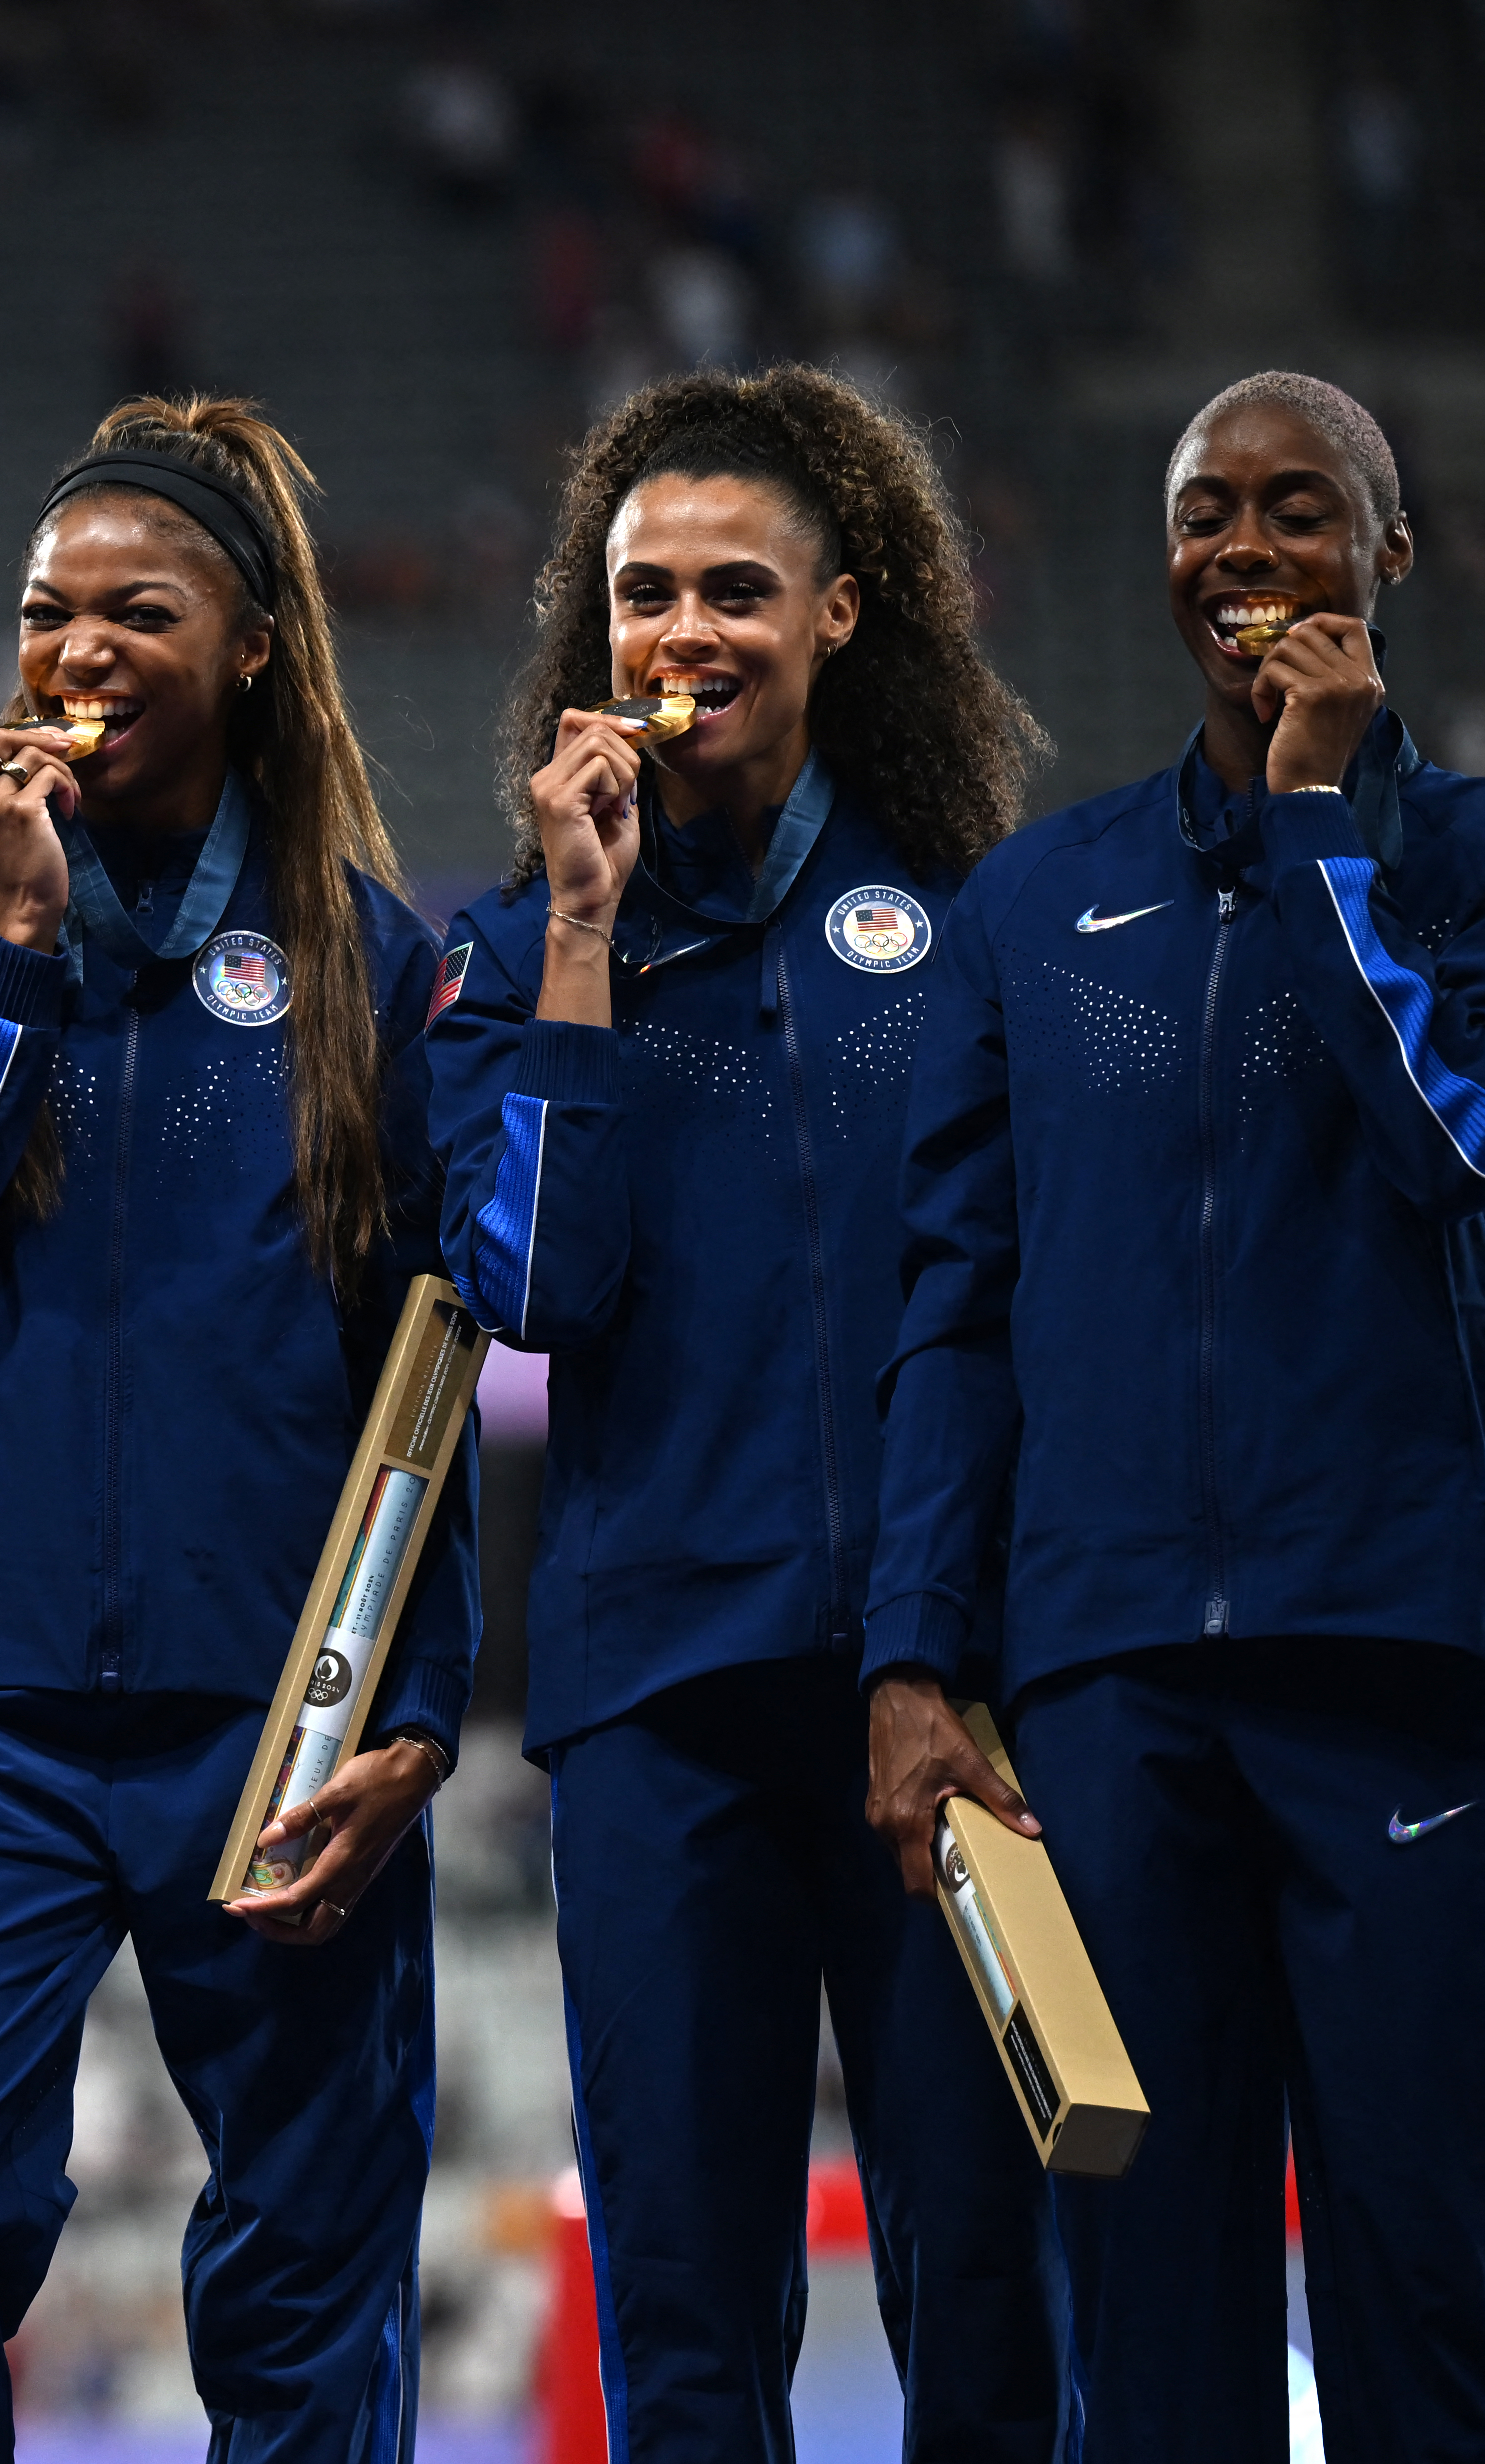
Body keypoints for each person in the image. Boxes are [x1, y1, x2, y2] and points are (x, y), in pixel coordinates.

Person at [0, 397, 474, 2456]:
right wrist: (11, 953)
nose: (76, 650)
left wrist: (414, 1712)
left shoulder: (362, 954)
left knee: (311, 2260)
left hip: (273, 1713)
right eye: (44, 612)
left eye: (137, 612)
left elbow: (424, 1379)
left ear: (255, 645)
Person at [435, 367, 1063, 2459]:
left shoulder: (974, 923)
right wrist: (589, 945)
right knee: (688, 2330)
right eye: (640, 594)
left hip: (942, 1703)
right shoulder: (516, 948)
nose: (681, 634)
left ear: (841, 615)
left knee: (985, 2299)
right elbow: (528, 1290)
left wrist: (950, 1648)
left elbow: (1017, 1325)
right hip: (657, 1720)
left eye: (733, 588)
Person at [867, 372, 1485, 2458]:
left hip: (1401, 1661)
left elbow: (1446, 1150)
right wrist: (915, 1650)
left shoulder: (1466, 865)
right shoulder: (1041, 909)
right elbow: (957, 1302)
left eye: (1297, 512)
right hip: (1112, 1684)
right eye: (1205, 512)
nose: (1241, 550)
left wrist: (1318, 825)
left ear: (1389, 559)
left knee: (1430, 2265)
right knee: (1151, 2304)